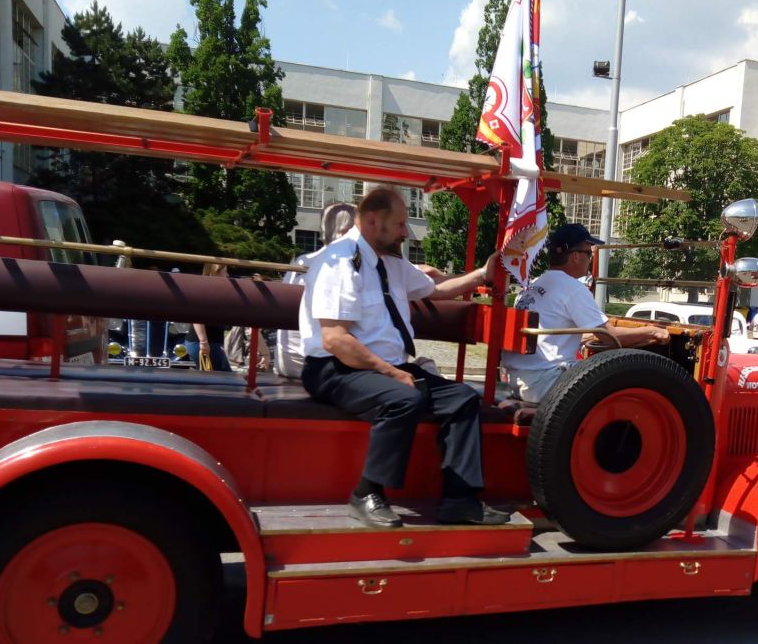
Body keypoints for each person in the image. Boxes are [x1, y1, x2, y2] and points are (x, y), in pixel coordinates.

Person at [299, 186, 506, 528]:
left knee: (462, 398)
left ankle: (460, 500)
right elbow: (335, 340)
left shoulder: (389, 262)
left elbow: (435, 289)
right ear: (370, 220)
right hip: (335, 369)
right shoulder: (339, 262)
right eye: (398, 224)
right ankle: (365, 493)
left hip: (379, 368)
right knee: (404, 398)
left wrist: (484, 274)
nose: (405, 232)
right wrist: (392, 374)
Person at [500, 223, 670, 404]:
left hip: (517, 380)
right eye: (588, 253)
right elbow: (611, 337)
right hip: (544, 383)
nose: (590, 258)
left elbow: (549, 332)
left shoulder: (532, 285)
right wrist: (653, 331)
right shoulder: (572, 288)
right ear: (574, 256)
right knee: (626, 381)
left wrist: (583, 336)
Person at [276, 202, 357, 378]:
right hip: (315, 363)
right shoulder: (346, 263)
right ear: (348, 230)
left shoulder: (301, 262)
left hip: (286, 360)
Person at [185, 263, 233, 372]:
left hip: (211, 342)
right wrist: (203, 342)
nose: (227, 274)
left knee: (217, 376)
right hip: (203, 343)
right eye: (225, 271)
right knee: (222, 376)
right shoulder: (205, 291)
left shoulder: (216, 292)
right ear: (215, 272)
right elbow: (196, 316)